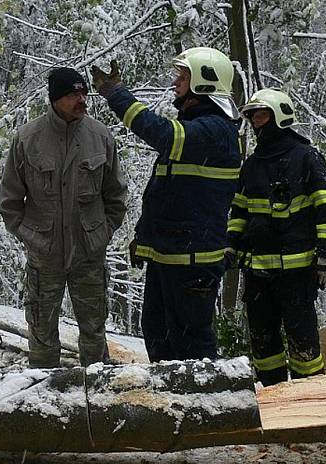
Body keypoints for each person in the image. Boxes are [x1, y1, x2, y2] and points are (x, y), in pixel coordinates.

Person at [92, 47, 241, 362]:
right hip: (171, 256)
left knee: (192, 347)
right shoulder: (197, 129)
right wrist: (145, 239)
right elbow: (169, 195)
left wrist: (117, 95)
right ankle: (171, 404)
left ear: (204, 82)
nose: (175, 84)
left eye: (183, 77)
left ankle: (208, 406)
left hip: (192, 262)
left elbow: (161, 133)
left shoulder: (214, 131)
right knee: (159, 335)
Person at [0, 67, 127, 368]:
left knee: (94, 331)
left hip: (88, 254)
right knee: (41, 331)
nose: (82, 99)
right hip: (45, 256)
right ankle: (44, 398)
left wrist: (101, 234)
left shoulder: (100, 137)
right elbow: (10, 199)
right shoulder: (28, 138)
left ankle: (96, 398)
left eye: (84, 92)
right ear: (56, 98)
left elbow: (116, 195)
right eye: (73, 94)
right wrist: (31, 237)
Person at [226, 88, 326, 386]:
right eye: (252, 116)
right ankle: (273, 399)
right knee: (264, 347)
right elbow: (239, 211)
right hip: (258, 275)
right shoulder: (251, 165)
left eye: (262, 115)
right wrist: (231, 246)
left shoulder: (306, 157)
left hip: (296, 273)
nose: (256, 122)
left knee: (303, 346)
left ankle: (310, 402)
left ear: (280, 117)